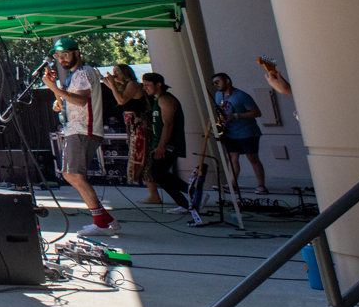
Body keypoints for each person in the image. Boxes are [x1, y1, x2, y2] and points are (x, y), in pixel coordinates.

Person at [44, 36, 118, 235]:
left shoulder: (83, 73)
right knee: (71, 174)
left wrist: (55, 88)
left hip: (83, 129)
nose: (62, 59)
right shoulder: (75, 75)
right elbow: (72, 101)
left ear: (77, 53)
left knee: (73, 174)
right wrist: (59, 99)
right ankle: (106, 219)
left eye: (65, 54)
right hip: (78, 129)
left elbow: (82, 101)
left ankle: (101, 223)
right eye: (59, 56)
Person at [141, 73, 200, 224]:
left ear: (158, 84)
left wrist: (162, 146)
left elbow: (169, 124)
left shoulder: (166, 99)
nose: (145, 88)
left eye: (148, 85)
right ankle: (187, 198)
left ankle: (190, 193)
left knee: (157, 172)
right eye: (144, 85)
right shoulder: (157, 101)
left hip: (169, 144)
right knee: (158, 174)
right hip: (160, 143)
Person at [212, 71, 269, 193]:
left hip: (246, 131)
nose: (216, 85)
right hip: (229, 132)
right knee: (231, 158)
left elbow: (257, 113)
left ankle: (261, 185)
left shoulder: (242, 96)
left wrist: (235, 115)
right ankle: (232, 185)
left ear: (227, 81)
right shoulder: (218, 95)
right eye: (214, 83)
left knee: (252, 158)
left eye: (218, 82)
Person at [104, 64, 152, 191]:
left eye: (118, 71)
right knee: (136, 154)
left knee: (142, 156)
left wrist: (113, 84)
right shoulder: (125, 85)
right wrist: (106, 81)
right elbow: (115, 91)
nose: (115, 74)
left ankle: (149, 187)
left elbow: (121, 100)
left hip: (139, 123)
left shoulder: (132, 84)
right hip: (131, 124)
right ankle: (145, 186)